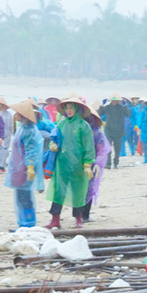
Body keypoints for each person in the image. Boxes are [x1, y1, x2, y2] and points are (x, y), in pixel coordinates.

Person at [45, 96, 95, 229]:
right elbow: (55, 137)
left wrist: (87, 164)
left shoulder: (83, 126)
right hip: (62, 163)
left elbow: (89, 146)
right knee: (58, 191)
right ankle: (55, 220)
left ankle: (78, 219)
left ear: (77, 109)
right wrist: (52, 144)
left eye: (71, 108)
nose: (69, 110)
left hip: (78, 165)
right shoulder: (61, 123)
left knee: (78, 192)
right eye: (67, 108)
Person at [4, 101, 53, 228]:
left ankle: (28, 223)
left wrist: (30, 166)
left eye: (17, 113)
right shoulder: (22, 128)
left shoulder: (29, 131)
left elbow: (31, 150)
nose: (15, 115)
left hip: (24, 169)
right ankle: (22, 222)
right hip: (18, 168)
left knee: (25, 197)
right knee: (20, 196)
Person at [79, 108, 112, 224]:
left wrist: (98, 163)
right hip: (78, 163)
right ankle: (79, 215)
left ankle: (85, 215)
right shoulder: (78, 130)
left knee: (89, 188)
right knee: (79, 188)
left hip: (91, 163)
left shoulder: (96, 133)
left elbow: (101, 150)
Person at [98, 95, 130, 168]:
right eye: (112, 101)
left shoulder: (122, 108)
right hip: (109, 131)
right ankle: (108, 164)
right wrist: (102, 105)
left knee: (117, 149)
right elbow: (100, 113)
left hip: (119, 132)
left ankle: (116, 163)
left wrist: (125, 106)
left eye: (115, 101)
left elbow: (128, 114)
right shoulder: (108, 107)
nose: (114, 102)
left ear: (118, 101)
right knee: (108, 148)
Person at [0, 97, 14, 171]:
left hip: (5, 133)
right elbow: (11, 126)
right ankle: (0, 165)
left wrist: (12, 133)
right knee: (2, 149)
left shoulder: (7, 114)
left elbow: (11, 125)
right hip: (2, 133)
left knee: (3, 150)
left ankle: (0, 165)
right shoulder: (6, 114)